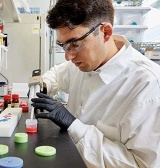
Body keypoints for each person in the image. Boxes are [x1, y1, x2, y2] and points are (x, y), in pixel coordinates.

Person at [30, 0, 160, 167]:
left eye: (75, 44)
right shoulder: (82, 64)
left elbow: (141, 164)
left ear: (105, 32)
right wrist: (43, 85)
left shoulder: (148, 86)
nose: (68, 56)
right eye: (63, 46)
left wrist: (74, 127)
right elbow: (57, 73)